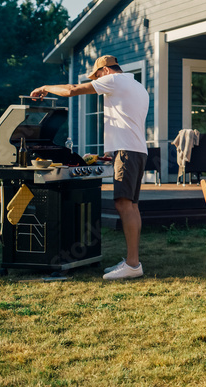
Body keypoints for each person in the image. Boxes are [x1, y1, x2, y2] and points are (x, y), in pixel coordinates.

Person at [30, 55, 149, 280]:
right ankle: (133, 262)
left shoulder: (114, 81)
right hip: (135, 150)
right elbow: (126, 120)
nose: (97, 81)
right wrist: (110, 153)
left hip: (128, 152)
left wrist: (45, 87)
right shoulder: (137, 86)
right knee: (131, 205)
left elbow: (73, 89)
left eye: (96, 77)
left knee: (124, 205)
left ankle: (133, 265)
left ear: (104, 70)